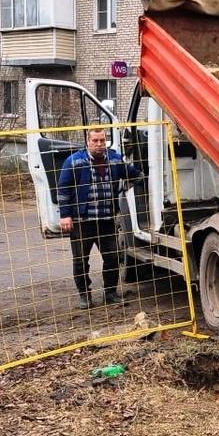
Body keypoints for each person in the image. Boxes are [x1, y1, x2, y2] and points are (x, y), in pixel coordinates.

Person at [57, 129, 140, 308]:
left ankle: (110, 293)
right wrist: (65, 216)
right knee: (80, 260)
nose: (99, 144)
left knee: (112, 258)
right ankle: (84, 295)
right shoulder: (74, 161)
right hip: (82, 221)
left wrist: (130, 184)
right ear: (87, 141)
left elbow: (135, 174)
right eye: (95, 140)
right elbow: (63, 190)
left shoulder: (115, 159)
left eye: (102, 140)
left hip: (107, 220)